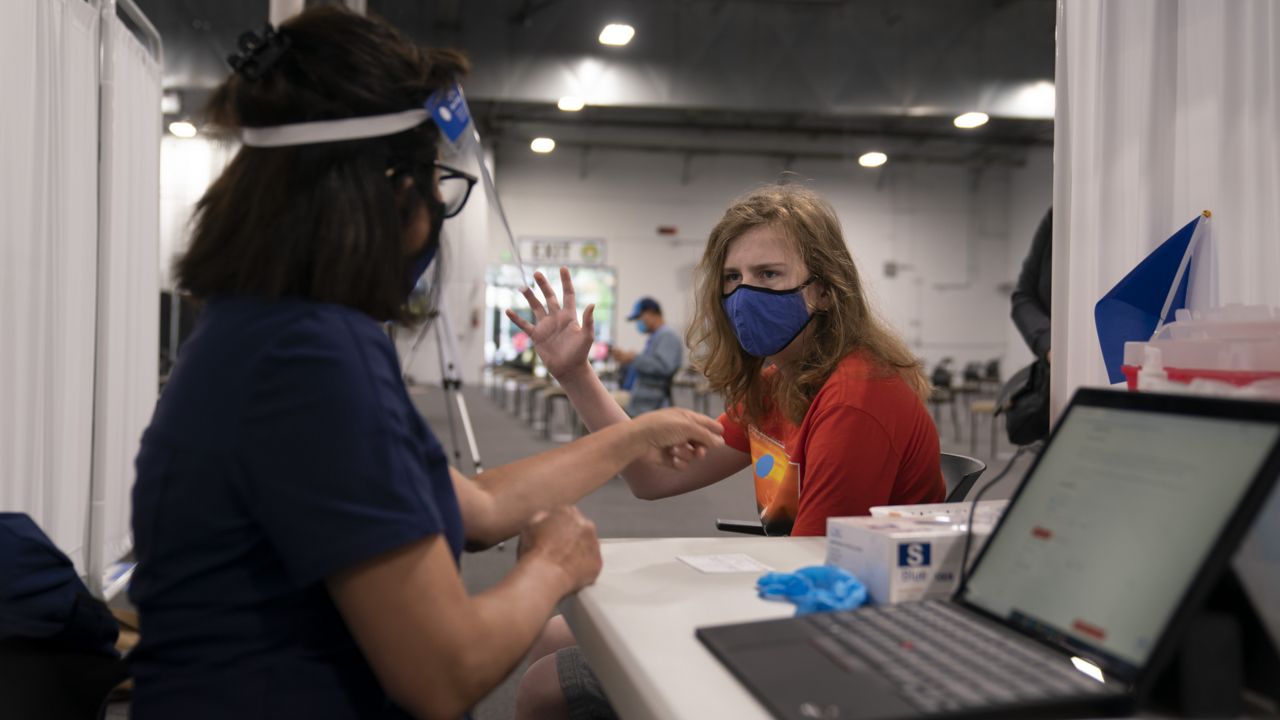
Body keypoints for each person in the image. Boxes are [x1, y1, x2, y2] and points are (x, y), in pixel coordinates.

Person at [126, 9, 723, 720]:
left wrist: (630, 435)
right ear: (390, 193)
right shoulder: (309, 359)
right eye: (436, 184)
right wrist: (553, 564)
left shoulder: (262, 329)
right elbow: (445, 672)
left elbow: (478, 508)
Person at [508, 184, 944, 719]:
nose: (744, 294)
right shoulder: (775, 381)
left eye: (769, 275)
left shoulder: (856, 396)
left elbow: (810, 578)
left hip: (852, 633)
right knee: (555, 634)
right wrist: (576, 374)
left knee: (544, 684)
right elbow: (653, 478)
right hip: (800, 588)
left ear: (826, 291)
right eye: (733, 278)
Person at [611, 297, 683, 415]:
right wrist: (627, 361)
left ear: (650, 313)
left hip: (651, 404)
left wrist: (633, 358)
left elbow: (664, 368)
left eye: (639, 318)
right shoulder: (657, 336)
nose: (638, 322)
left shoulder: (668, 336)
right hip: (641, 402)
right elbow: (649, 364)